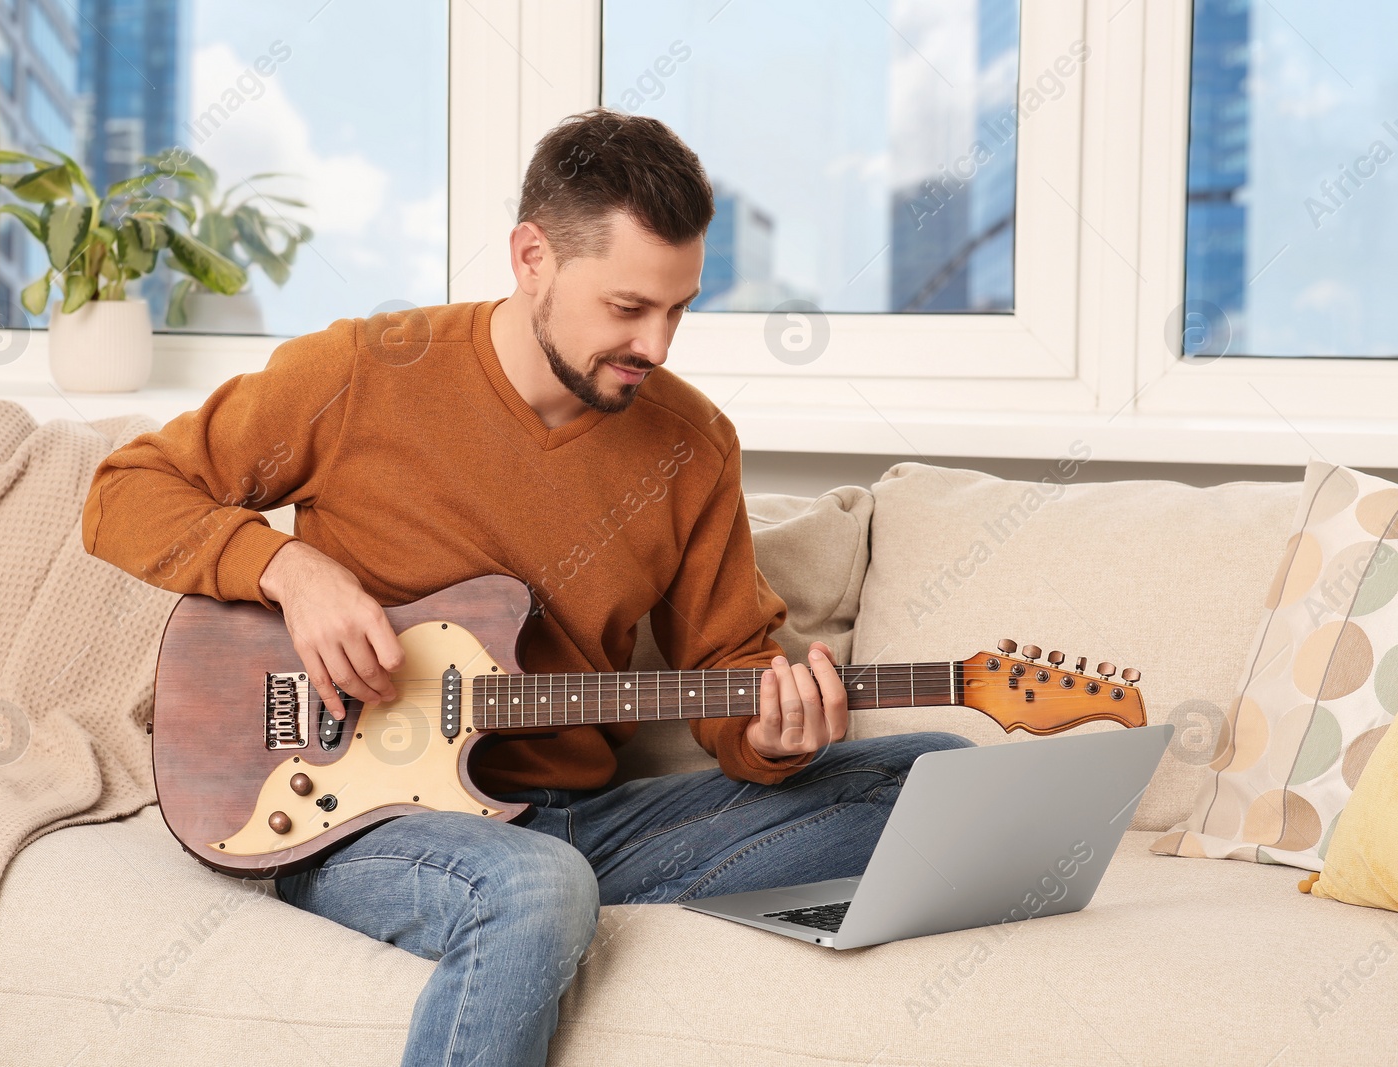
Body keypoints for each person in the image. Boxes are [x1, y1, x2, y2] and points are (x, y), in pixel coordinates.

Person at [82, 107, 974, 1067]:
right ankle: (537, 907)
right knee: (539, 885)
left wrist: (768, 734)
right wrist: (286, 567)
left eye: (679, 309)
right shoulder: (359, 372)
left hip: (585, 822)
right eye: (628, 308)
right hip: (363, 818)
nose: (659, 345)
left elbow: (728, 660)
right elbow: (123, 491)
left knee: (938, 777)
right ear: (531, 256)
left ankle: (557, 900)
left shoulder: (690, 443)